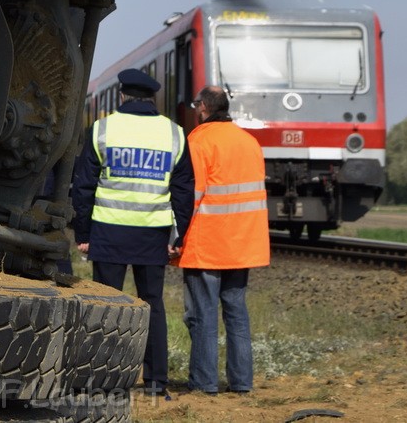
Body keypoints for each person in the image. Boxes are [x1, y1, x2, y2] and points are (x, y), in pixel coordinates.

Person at [71, 68, 194, 398]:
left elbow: (83, 187)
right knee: (152, 305)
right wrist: (177, 238)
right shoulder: (174, 134)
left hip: (108, 232)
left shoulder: (102, 129)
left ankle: (101, 383)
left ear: (122, 96)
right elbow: (183, 193)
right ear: (152, 98)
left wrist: (82, 232)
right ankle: (156, 384)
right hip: (153, 234)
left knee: (104, 306)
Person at [178, 85, 270, 394]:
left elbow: (193, 194)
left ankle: (204, 384)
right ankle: (242, 383)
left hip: (207, 244)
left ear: (203, 107)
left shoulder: (198, 140)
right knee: (236, 313)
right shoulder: (250, 142)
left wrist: (175, 235)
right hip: (242, 244)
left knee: (202, 315)